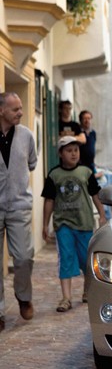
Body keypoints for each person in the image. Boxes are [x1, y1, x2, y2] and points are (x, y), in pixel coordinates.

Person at [42, 135, 106, 311]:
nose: (73, 154)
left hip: (84, 223)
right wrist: (45, 224)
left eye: (76, 150)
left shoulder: (86, 172)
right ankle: (66, 298)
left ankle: (86, 292)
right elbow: (49, 200)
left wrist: (102, 214)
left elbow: (95, 194)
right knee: (66, 258)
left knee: (86, 261)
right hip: (63, 224)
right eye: (69, 151)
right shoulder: (54, 175)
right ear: (60, 154)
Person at [0, 92, 37, 329]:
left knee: (24, 257)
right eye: (15, 109)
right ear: (1, 111)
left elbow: (32, 163)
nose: (20, 112)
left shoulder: (26, 135)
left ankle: (23, 297)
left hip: (19, 205)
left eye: (21, 108)